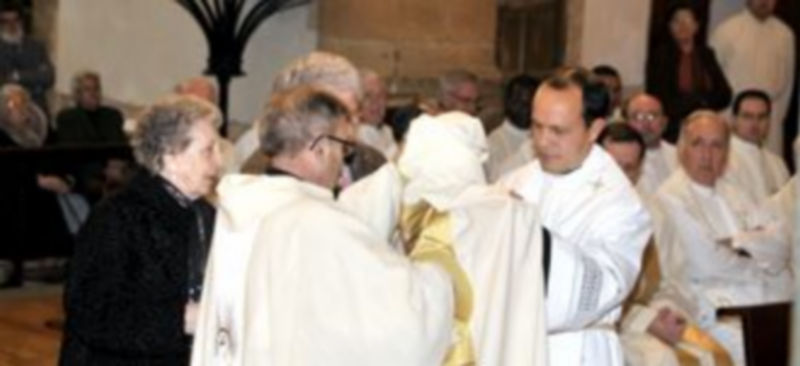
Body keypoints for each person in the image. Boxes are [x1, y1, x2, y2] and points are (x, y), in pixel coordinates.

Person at [192, 87, 455, 365]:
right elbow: (396, 327)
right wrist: (436, 277)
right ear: (319, 148)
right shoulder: (317, 221)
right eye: (343, 148)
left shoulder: (237, 207)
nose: (343, 162)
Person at [499, 75, 651, 366]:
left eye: (558, 130)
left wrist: (526, 228)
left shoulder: (620, 204)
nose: (543, 141)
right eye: (537, 126)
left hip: (576, 350)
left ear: (594, 129)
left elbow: (601, 287)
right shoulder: (515, 181)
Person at [60, 95, 223, 365]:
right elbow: (90, 312)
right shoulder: (117, 218)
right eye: (208, 151)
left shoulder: (204, 213)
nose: (218, 163)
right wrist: (180, 320)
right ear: (171, 157)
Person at [655, 110, 793, 364]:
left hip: (770, 298)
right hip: (718, 307)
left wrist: (736, 243)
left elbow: (782, 243)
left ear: (727, 152)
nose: (707, 155)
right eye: (698, 144)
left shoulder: (734, 190)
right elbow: (707, 263)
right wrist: (758, 252)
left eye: (717, 145)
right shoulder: (671, 197)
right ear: (682, 149)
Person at [599, 124, 735, 366]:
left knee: (714, 355)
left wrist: (666, 312)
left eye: (628, 168)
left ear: (639, 170)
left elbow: (675, 277)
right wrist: (645, 320)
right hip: (609, 328)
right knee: (662, 360)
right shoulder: (581, 215)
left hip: (653, 316)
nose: (619, 177)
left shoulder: (653, 213)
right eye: (612, 166)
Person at [0, 83, 71, 287]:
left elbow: (57, 157)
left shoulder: (42, 129)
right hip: (13, 190)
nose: (21, 110)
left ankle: (54, 263)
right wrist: (36, 181)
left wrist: (62, 179)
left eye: (23, 104)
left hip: (46, 187)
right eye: (13, 105)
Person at [710, 0, 795, 155]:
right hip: (732, 115)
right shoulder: (726, 31)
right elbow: (712, 79)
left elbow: (787, 83)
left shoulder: (785, 34)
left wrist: (775, 117)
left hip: (770, 119)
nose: (764, 2)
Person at [646, 1, 732, 143]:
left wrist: (701, 102)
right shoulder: (660, 57)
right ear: (670, 27)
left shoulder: (706, 54)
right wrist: (695, 102)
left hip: (706, 126)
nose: (682, 26)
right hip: (674, 129)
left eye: (687, 20)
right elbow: (658, 98)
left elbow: (724, 94)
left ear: (696, 26)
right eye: (676, 21)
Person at [55, 71, 128, 204]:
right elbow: (72, 153)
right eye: (87, 89)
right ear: (77, 94)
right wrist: (104, 171)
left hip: (115, 171)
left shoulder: (112, 116)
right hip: (85, 172)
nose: (93, 93)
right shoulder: (67, 118)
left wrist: (116, 165)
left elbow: (121, 145)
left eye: (96, 89)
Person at [724, 89, 789, 203]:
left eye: (761, 117)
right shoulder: (723, 158)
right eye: (747, 116)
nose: (755, 123)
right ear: (734, 119)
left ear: (769, 121)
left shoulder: (777, 163)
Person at [174, 76, 238, 175]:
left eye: (207, 105)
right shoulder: (159, 146)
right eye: (193, 106)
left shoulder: (227, 151)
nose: (201, 113)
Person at [0, 3, 54, 115]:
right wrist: (34, 76)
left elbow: (48, 77)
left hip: (36, 109)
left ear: (21, 22)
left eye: (15, 20)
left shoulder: (36, 46)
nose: (11, 25)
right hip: (5, 112)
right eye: (6, 21)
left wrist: (17, 76)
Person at [624, 92, 679, 197]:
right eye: (638, 117)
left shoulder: (679, 156)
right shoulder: (617, 159)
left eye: (652, 116)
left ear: (664, 122)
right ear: (626, 122)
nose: (645, 124)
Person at [486, 74, 539, 181]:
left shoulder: (546, 138)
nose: (525, 108)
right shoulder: (494, 142)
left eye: (530, 102)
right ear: (507, 102)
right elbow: (495, 181)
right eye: (519, 101)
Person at [356, 69, 397, 159]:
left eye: (380, 95)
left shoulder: (386, 131)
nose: (375, 101)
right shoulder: (355, 136)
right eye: (368, 96)